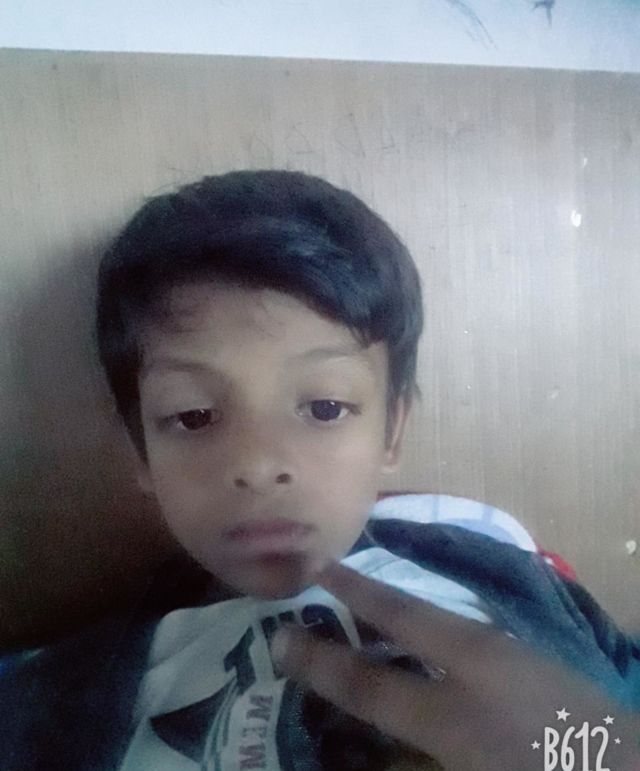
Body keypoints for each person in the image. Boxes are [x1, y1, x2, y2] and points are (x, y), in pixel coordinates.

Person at [1, 170, 638, 771]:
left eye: (325, 408)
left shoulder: (499, 586)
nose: (258, 465)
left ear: (391, 431)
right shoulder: (90, 679)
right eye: (194, 416)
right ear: (141, 449)